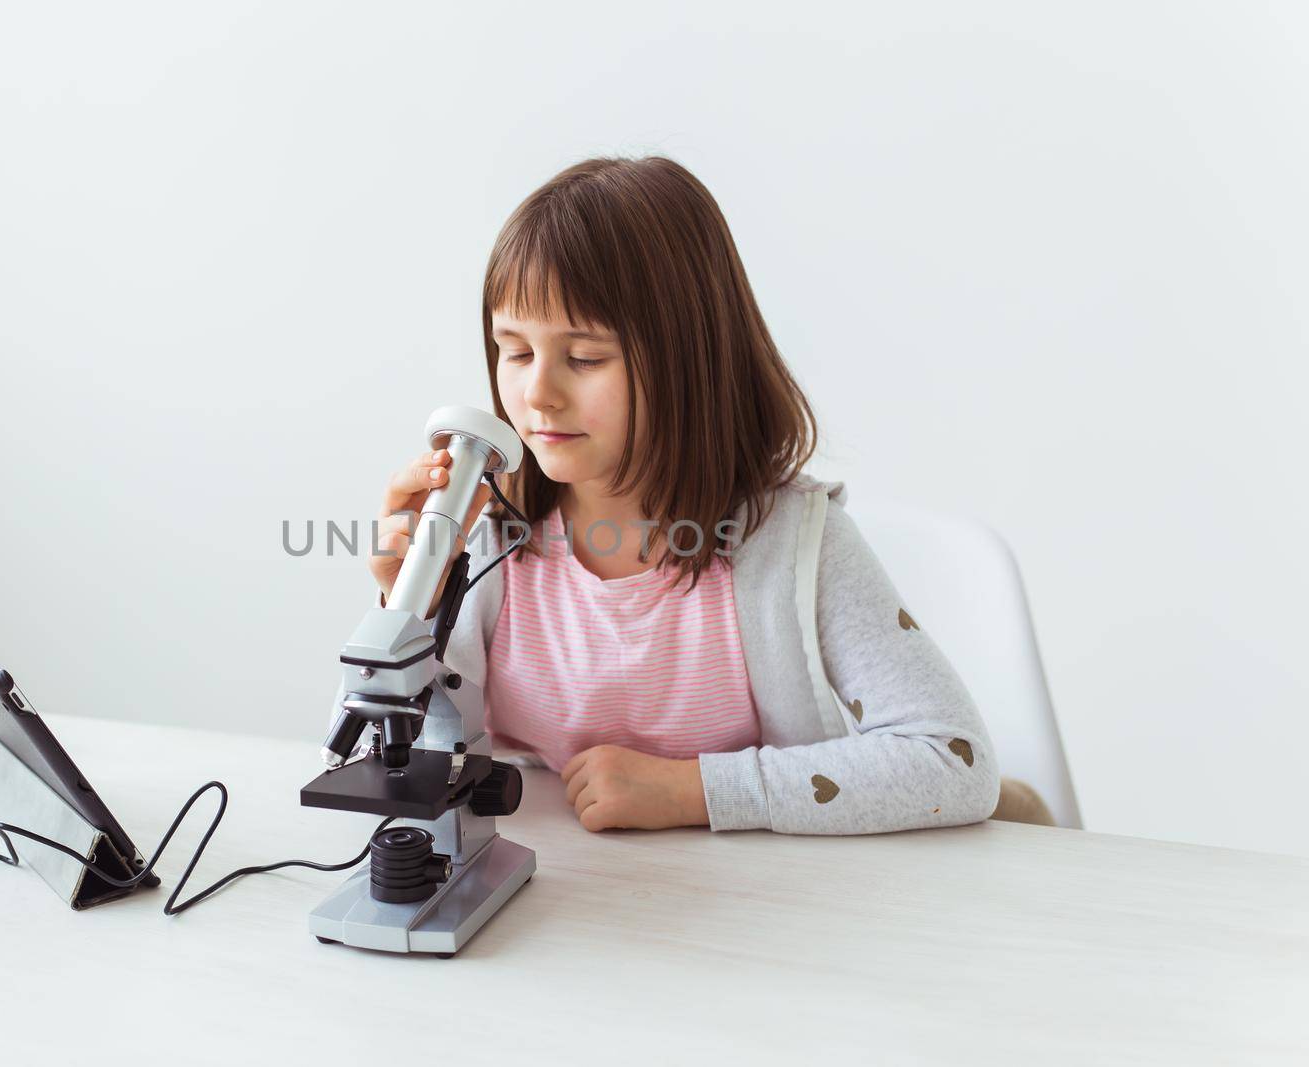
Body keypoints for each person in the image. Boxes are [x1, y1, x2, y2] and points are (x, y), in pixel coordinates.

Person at [368, 156, 1049, 834]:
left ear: (686, 361)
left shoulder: (795, 545)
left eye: (584, 358)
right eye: (515, 352)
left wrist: (693, 790)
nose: (537, 393)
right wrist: (412, 611)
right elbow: (392, 761)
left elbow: (954, 761)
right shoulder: (490, 531)